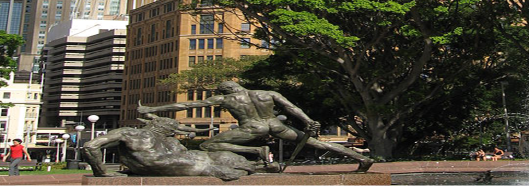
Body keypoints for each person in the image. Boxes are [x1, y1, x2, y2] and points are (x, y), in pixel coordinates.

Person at [138, 81, 373, 172]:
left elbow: (186, 105)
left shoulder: (226, 99)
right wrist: (308, 121)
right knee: (315, 142)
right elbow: (291, 109)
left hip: (253, 127)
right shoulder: (268, 93)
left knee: (210, 144)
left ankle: (256, 153)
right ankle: (360, 159)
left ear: (227, 91)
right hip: (274, 124)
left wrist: (152, 110)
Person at [82, 113, 263, 180]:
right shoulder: (133, 133)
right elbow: (90, 146)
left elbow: (91, 147)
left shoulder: (133, 133)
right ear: (169, 130)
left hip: (175, 166)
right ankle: (255, 167)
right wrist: (102, 173)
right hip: (189, 165)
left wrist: (101, 171)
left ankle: (256, 167)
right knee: (219, 157)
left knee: (220, 158)